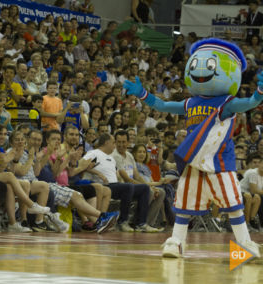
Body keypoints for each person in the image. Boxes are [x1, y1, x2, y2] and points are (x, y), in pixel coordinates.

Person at [124, 38, 262, 257]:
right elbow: (163, 105)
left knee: (234, 205)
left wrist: (258, 94)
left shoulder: (225, 103)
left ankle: (244, 244)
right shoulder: (190, 103)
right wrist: (143, 94)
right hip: (194, 163)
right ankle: (176, 242)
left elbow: (248, 104)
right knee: (184, 205)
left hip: (218, 164)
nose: (199, 70)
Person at [83, 133, 156, 232]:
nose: (115, 145)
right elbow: (82, 166)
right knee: (128, 187)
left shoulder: (111, 158)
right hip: (103, 185)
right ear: (106, 143)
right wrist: (98, 173)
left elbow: (116, 175)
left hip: (115, 185)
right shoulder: (94, 153)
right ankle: (122, 221)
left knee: (144, 188)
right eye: (113, 143)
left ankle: (141, 223)